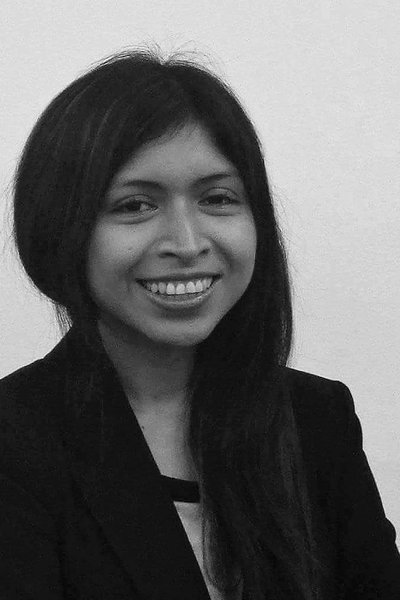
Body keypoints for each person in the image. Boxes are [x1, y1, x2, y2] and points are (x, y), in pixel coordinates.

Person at [1, 48, 399, 600]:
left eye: (217, 198)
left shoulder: (316, 419)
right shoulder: (15, 441)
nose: (187, 244)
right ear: (60, 227)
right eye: (135, 205)